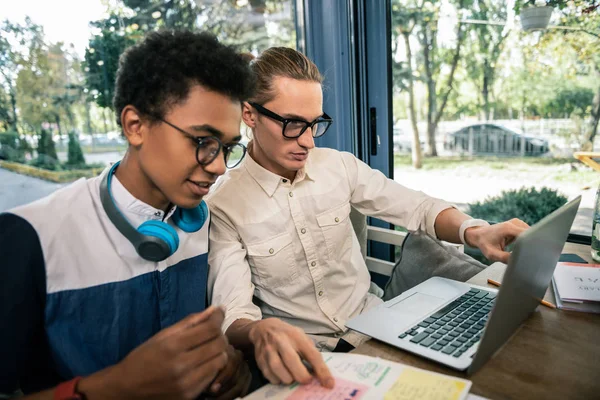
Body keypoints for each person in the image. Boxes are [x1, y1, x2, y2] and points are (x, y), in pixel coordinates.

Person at [207, 47, 529, 376]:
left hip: (379, 327)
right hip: (307, 355)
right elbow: (233, 315)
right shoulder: (223, 206)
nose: (309, 142)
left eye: (315, 124)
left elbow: (417, 207)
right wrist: (259, 333)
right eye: (292, 124)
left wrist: (474, 231)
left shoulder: (339, 167)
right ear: (250, 114)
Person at [0, 30, 256, 400]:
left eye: (228, 148)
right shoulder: (31, 237)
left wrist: (231, 367)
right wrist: (115, 387)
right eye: (203, 142)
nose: (218, 166)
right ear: (135, 125)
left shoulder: (203, 222)